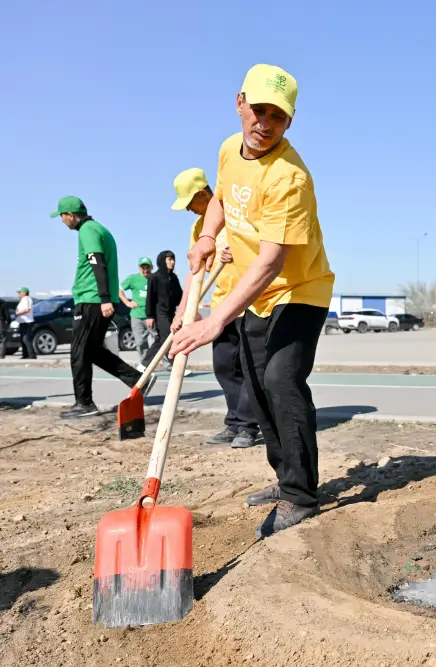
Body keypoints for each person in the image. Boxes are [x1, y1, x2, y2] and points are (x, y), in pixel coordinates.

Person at [172, 64, 335, 537]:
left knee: (282, 379)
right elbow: (221, 196)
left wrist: (213, 321)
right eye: (258, 110)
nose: (264, 123)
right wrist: (207, 235)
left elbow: (272, 263)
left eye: (277, 117)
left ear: (289, 122)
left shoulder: (290, 178)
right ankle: (286, 481)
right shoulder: (228, 148)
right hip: (254, 292)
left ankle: (301, 497)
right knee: (258, 389)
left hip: (298, 290)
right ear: (240, 102)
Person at [171, 167, 261, 449]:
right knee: (223, 366)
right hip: (220, 307)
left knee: (249, 368)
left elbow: (267, 248)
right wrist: (183, 310)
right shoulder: (199, 228)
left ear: (202, 193)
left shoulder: (236, 212)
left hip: (250, 303)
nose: (188, 211)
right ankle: (234, 422)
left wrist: (243, 250)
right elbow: (194, 272)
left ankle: (248, 426)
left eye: (189, 203)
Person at [50, 196, 142, 418]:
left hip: (91, 300)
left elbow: (97, 262)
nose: (62, 221)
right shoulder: (98, 228)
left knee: (79, 352)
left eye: (62, 217)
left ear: (70, 215)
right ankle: (137, 381)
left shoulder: (88, 230)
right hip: (95, 299)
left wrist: (104, 299)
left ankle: (84, 403)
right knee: (92, 351)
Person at [141, 251, 184, 373]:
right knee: (168, 339)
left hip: (171, 313)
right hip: (160, 313)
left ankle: (144, 365)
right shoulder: (154, 277)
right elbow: (150, 297)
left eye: (173, 259)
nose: (172, 262)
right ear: (162, 261)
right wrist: (149, 315)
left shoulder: (173, 278)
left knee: (160, 340)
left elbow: (180, 297)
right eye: (169, 259)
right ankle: (176, 367)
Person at [119, 257, 155, 363]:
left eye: (147, 266)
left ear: (151, 267)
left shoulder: (155, 278)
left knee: (160, 340)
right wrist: (127, 302)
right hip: (137, 316)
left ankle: (169, 365)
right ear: (139, 268)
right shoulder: (132, 278)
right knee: (140, 342)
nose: (145, 269)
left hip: (152, 316)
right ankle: (145, 366)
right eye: (142, 267)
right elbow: (119, 290)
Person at [14, 287, 35, 359]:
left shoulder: (27, 299)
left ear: (24, 293)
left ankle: (32, 355)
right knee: (23, 339)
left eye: (20, 292)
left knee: (26, 339)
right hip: (23, 322)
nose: (19, 294)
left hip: (27, 322)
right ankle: (25, 355)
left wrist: (17, 313)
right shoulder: (23, 300)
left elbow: (27, 309)